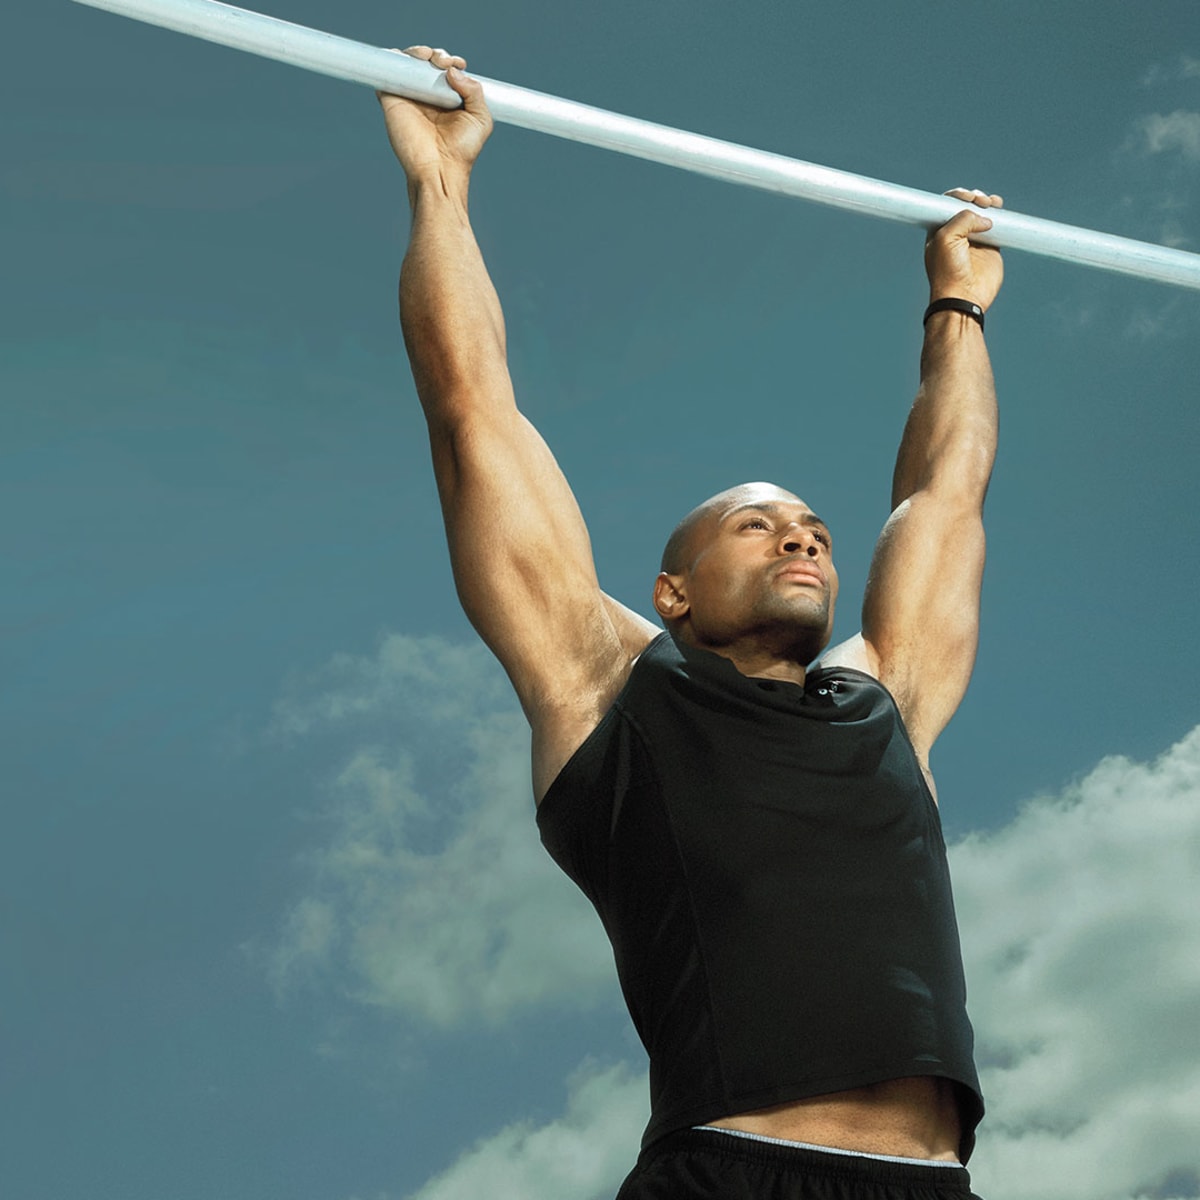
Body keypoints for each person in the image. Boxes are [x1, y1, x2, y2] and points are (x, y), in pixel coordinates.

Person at [379, 44, 1003, 1200]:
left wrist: (956, 301)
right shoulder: (611, 686)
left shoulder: (887, 702)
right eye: (758, 527)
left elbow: (943, 497)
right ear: (673, 594)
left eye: (813, 526)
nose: (804, 538)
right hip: (733, 1170)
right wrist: (441, 180)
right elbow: (474, 410)